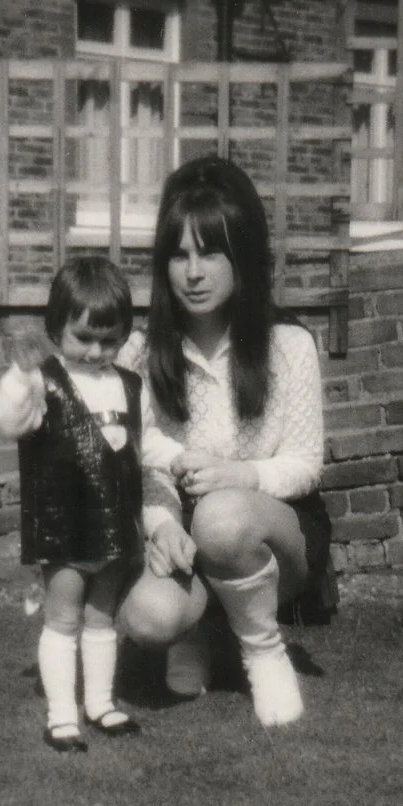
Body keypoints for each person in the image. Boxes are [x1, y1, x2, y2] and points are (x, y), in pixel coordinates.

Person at [113, 155, 329, 728]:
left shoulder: (288, 346)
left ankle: (263, 651)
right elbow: (136, 461)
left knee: (223, 518)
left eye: (210, 252)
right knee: (148, 618)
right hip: (181, 526)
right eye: (179, 255)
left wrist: (241, 477)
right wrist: (159, 528)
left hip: (272, 534)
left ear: (244, 255)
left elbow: (307, 464)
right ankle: (197, 634)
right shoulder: (138, 354)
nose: (194, 272)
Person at [0, 256, 195, 752]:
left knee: (102, 618)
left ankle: (100, 703)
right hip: (64, 522)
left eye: (111, 340)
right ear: (56, 327)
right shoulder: (44, 381)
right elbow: (6, 420)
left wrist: (185, 457)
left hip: (115, 523)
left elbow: (147, 446)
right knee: (64, 617)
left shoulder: (129, 385)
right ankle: (62, 714)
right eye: (84, 338)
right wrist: (21, 376)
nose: (98, 350)